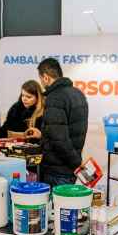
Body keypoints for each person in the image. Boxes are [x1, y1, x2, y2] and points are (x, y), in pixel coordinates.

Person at [27, 58, 89, 187]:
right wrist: (43, 135)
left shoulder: (55, 98)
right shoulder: (78, 94)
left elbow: (59, 139)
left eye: (41, 79)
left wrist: (77, 163)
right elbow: (71, 131)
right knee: (66, 199)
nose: (41, 83)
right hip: (70, 169)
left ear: (46, 77)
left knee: (54, 200)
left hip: (56, 171)